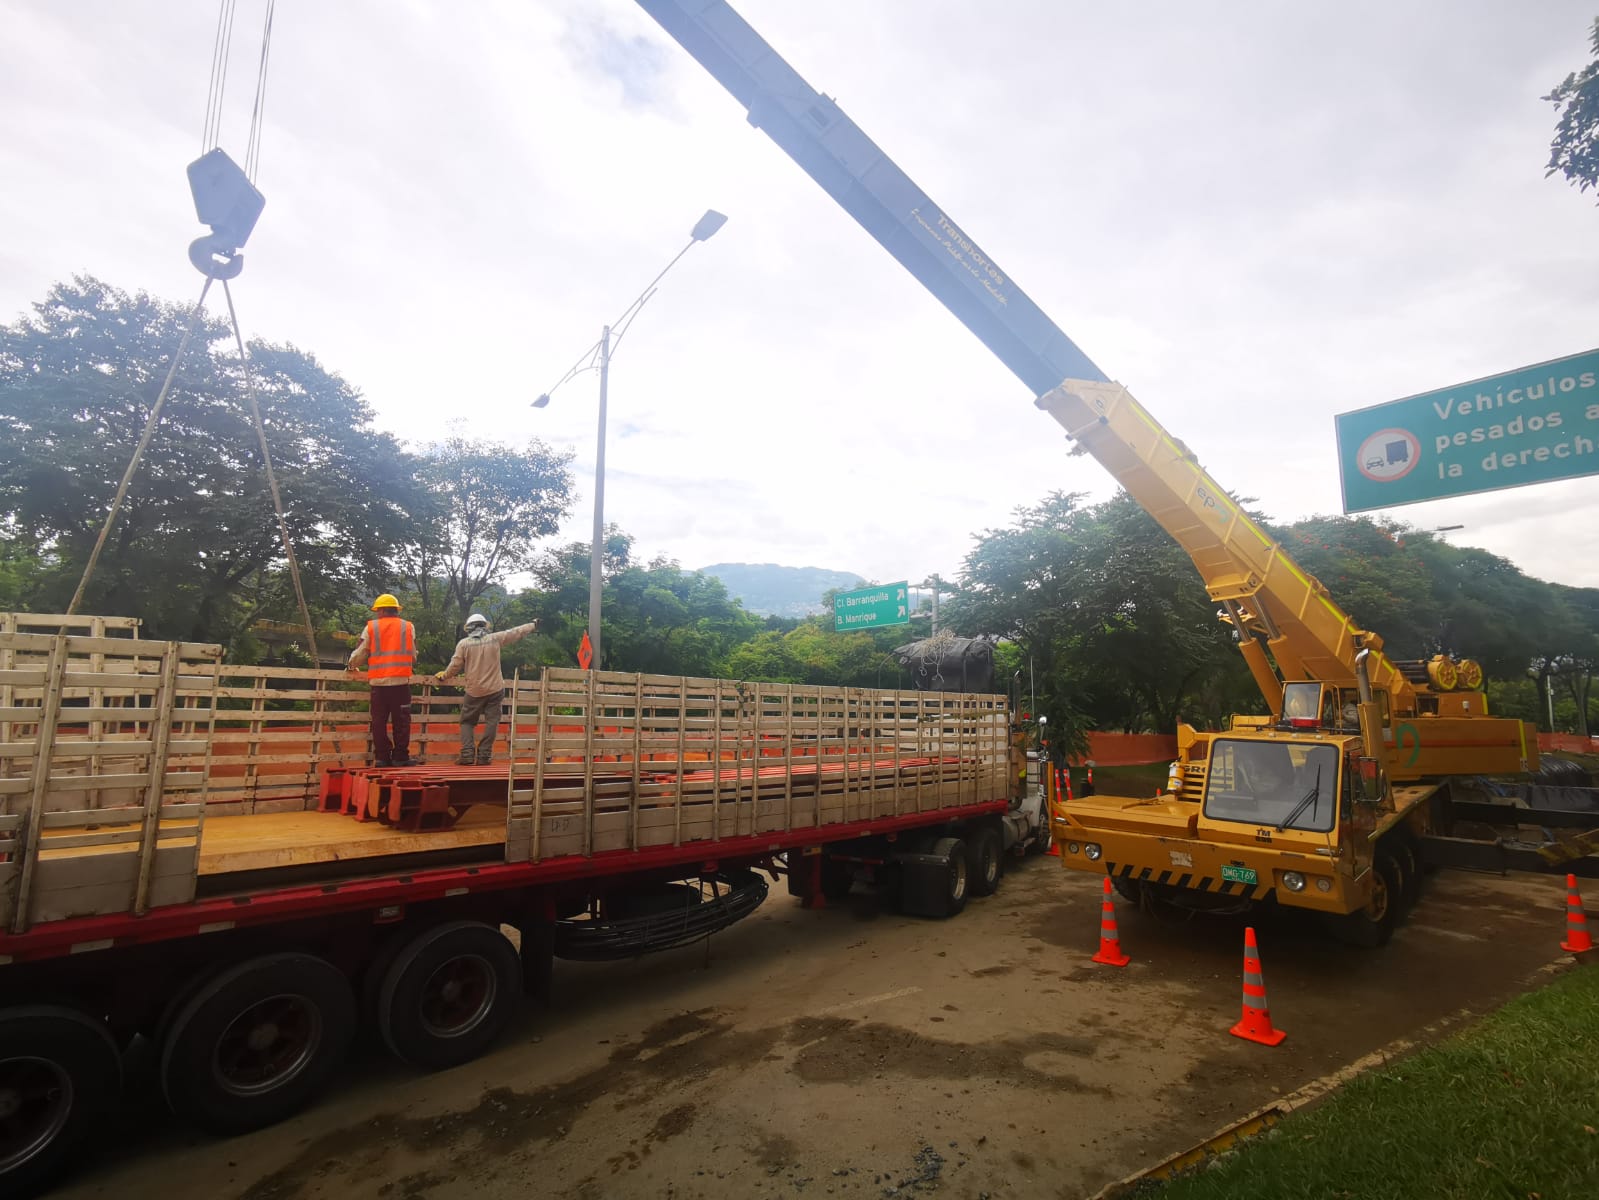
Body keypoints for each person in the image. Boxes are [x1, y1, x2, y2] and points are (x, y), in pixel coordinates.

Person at [434, 613, 539, 765]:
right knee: (492, 722)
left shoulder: (463, 644)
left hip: (474, 691)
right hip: (495, 689)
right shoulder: (495, 639)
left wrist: (445, 675)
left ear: (469, 628)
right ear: (484, 625)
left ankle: (467, 755)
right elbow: (516, 632)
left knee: (467, 722)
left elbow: (455, 665)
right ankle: (484, 756)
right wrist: (533, 625)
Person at [346, 593, 418, 767]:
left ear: (383, 610)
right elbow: (413, 655)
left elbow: (361, 652)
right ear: (395, 610)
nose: (377, 613)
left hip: (378, 684)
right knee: (401, 721)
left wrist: (351, 666)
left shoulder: (371, 627)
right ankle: (400, 757)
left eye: (378, 610)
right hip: (400, 683)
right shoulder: (408, 627)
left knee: (379, 721)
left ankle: (382, 758)